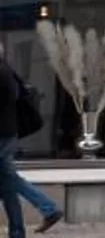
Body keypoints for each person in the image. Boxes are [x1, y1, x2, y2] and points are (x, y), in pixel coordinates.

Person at [0, 58, 62, 236]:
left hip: (2, 135)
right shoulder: (7, 70)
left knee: (10, 180)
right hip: (9, 133)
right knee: (7, 183)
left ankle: (48, 208)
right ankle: (18, 231)